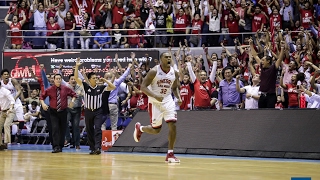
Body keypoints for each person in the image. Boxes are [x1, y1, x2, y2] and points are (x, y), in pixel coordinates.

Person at [133, 52, 182, 163]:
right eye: (166, 57)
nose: (169, 59)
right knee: (156, 130)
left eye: (170, 57)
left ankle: (170, 154)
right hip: (154, 102)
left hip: (168, 100)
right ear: (161, 59)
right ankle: (140, 128)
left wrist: (178, 97)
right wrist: (155, 96)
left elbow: (174, 87)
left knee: (173, 125)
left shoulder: (174, 73)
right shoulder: (154, 71)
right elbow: (143, 87)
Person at [74, 57, 115, 155]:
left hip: (98, 111)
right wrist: (76, 66)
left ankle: (97, 148)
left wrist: (105, 79)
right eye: (94, 78)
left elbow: (112, 87)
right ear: (89, 79)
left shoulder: (101, 88)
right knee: (89, 130)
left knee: (97, 128)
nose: (96, 79)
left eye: (96, 78)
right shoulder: (85, 86)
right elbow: (76, 78)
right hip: (88, 111)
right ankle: (92, 148)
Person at [40, 74, 77, 153]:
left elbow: (74, 95)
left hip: (63, 111)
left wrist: (72, 102)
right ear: (54, 80)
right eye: (56, 79)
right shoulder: (50, 89)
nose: (58, 80)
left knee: (62, 129)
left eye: (59, 78)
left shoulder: (66, 88)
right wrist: (43, 104)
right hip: (53, 111)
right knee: (55, 128)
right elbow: (42, 97)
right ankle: (55, 146)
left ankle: (60, 146)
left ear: (61, 79)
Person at [1, 69, 24, 147]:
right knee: (4, 124)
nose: (7, 75)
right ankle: (4, 141)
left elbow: (19, 91)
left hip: (16, 102)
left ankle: (19, 135)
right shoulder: (1, 83)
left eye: (8, 74)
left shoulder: (13, 81)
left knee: (21, 120)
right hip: (7, 104)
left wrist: (13, 98)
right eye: (5, 74)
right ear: (2, 76)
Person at [0, 82, 15, 150]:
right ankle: (0, 144)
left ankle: (6, 142)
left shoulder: (5, 91)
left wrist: (10, 109)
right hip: (3, 111)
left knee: (6, 125)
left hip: (10, 111)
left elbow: (12, 100)